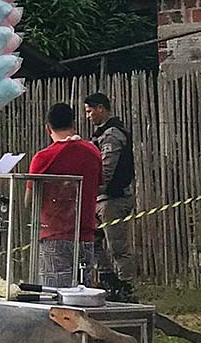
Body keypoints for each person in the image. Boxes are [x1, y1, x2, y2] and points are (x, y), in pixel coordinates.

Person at [28, 103, 102, 288]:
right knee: (81, 295)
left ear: (48, 128)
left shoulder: (43, 157)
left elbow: (29, 200)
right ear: (74, 124)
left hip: (55, 235)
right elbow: (99, 185)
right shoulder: (93, 152)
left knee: (55, 296)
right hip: (85, 235)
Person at [85, 92, 136, 300]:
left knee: (117, 246)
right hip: (100, 199)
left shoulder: (112, 134)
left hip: (113, 198)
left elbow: (106, 170)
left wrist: (92, 190)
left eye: (90, 111)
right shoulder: (99, 134)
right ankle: (108, 279)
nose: (88, 116)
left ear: (100, 108)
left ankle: (127, 287)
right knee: (93, 241)